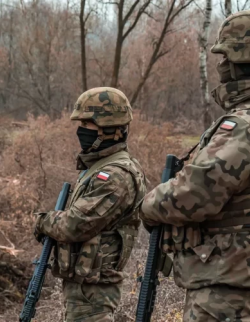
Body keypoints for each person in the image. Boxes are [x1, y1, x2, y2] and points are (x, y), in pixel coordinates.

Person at [139, 9, 250, 322]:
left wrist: (148, 204)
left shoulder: (249, 124)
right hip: (230, 275)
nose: (221, 65)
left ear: (245, 60)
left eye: (227, 56)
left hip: (232, 279)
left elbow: (193, 194)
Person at [34, 87, 147, 322]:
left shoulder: (116, 175)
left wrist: (42, 221)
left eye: (87, 124)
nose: (81, 131)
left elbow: (75, 225)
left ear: (108, 129)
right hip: (84, 290)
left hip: (94, 294)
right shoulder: (99, 167)